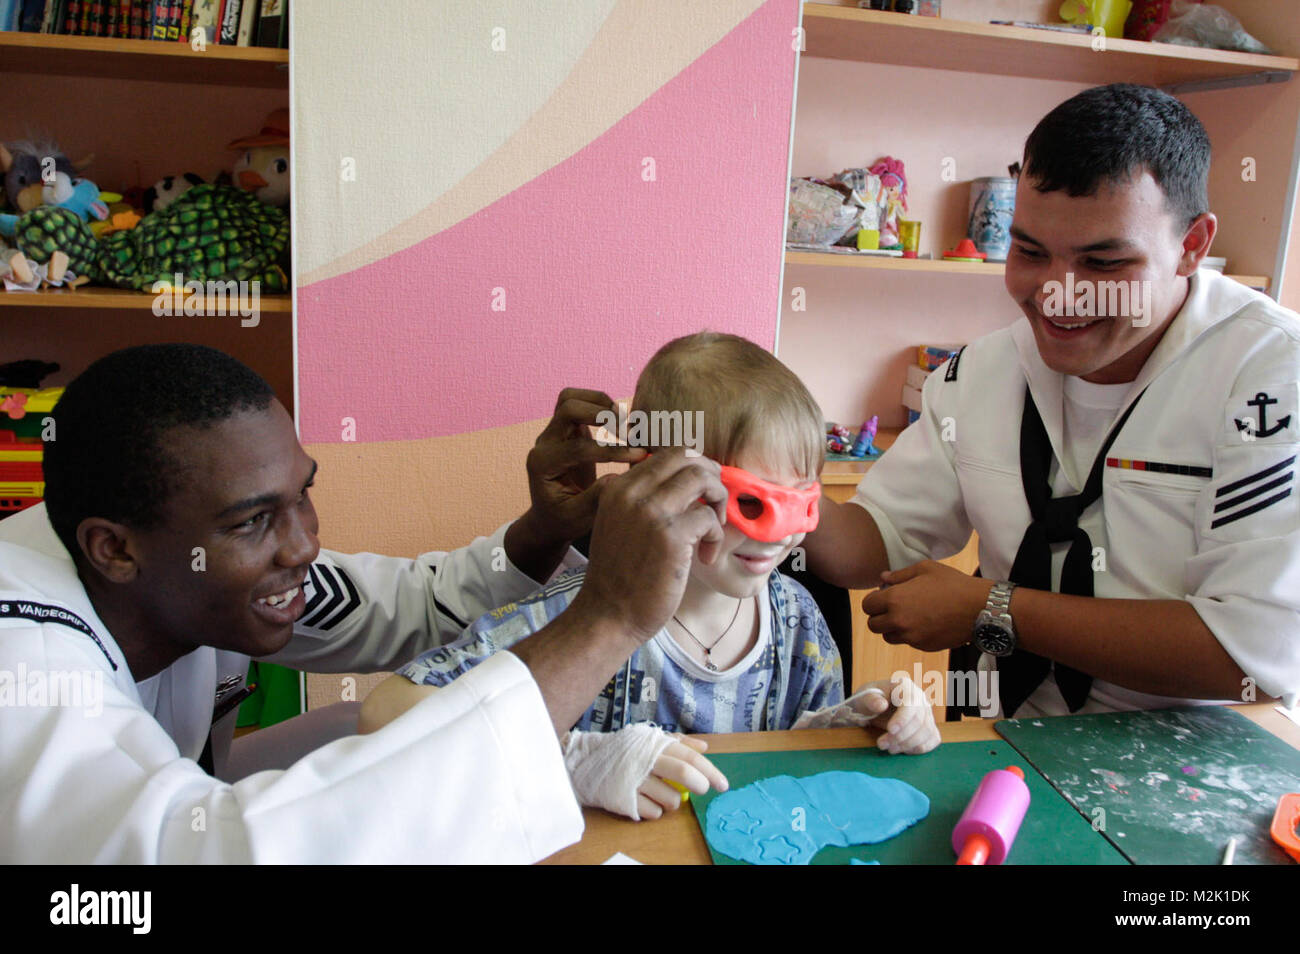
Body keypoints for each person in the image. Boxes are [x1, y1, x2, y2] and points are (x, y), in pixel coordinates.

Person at [0, 343, 731, 863]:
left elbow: (409, 605)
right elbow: (200, 854)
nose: (303, 547)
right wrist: (609, 618)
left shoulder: (190, 571)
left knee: (358, 725)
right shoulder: (25, 666)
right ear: (114, 549)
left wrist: (544, 532)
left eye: (303, 495)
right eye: (253, 521)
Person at [804, 83, 1300, 719]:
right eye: (1029, 252)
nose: (1060, 296)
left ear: (1192, 246)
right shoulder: (979, 371)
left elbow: (1252, 656)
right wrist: (765, 489)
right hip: (994, 736)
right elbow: (878, 539)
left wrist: (993, 611)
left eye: (1103, 263)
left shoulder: (1268, 379)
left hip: (1186, 763)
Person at [359, 332, 940, 821]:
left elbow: (792, 752)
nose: (776, 537)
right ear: (655, 484)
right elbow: (382, 714)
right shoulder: (579, 616)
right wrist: (575, 760)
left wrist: (860, 723)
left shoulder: (798, 620)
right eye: (753, 506)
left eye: (802, 506)